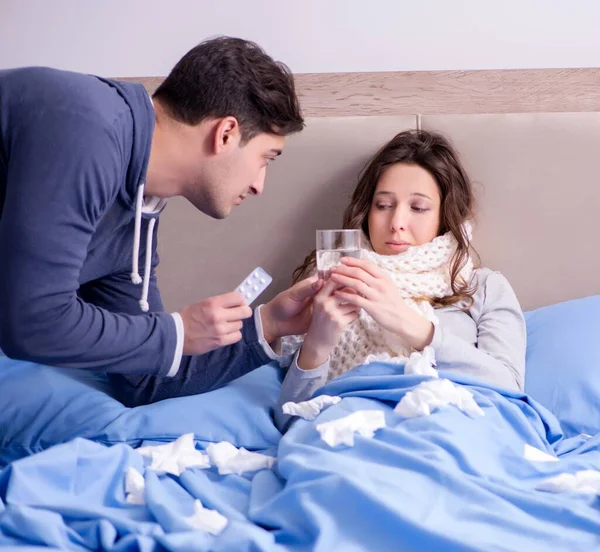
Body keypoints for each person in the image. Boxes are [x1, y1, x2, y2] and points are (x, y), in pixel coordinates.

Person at [0, 36, 321, 406]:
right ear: (226, 133)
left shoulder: (136, 215)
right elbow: (32, 323)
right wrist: (177, 332)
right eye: (267, 158)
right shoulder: (86, 128)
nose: (259, 185)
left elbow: (143, 379)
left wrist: (267, 326)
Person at [272, 129, 526, 429]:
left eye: (418, 208)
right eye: (383, 205)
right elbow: (289, 421)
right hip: (348, 441)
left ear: (444, 215)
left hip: (449, 434)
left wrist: (410, 325)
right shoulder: (329, 282)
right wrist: (317, 344)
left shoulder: (481, 286)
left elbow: (510, 389)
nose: (396, 224)